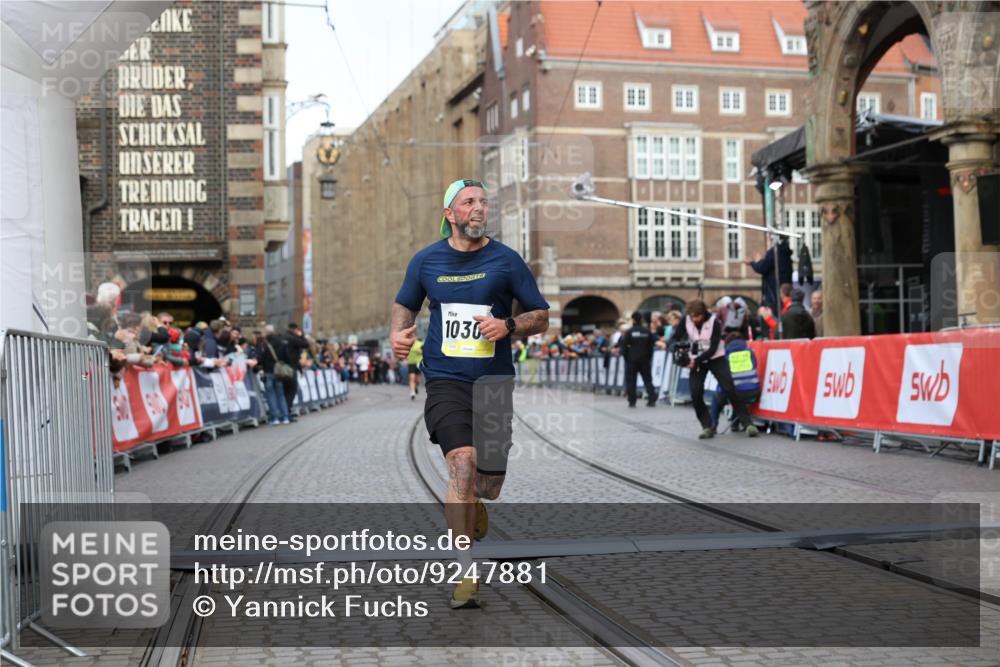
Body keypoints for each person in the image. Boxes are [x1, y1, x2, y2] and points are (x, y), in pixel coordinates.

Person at [390, 179, 549, 609]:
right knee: (462, 462)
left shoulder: (506, 260)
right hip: (446, 380)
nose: (479, 208)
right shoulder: (426, 261)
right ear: (450, 215)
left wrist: (509, 326)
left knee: (489, 484)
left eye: (483, 202)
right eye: (469, 202)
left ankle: (478, 503)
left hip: (494, 383)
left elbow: (541, 315)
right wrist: (397, 333)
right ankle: (465, 570)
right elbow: (405, 303)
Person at [668, 299, 758, 439]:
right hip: (696, 360)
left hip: (716, 357)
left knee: (729, 388)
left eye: (697, 316)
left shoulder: (714, 322)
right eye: (692, 316)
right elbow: (674, 338)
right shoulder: (687, 320)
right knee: (696, 393)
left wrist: (695, 360)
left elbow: (713, 348)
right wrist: (674, 347)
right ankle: (707, 426)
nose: (694, 319)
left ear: (703, 313)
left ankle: (748, 423)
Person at [709, 332, 761, 432]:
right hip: (753, 393)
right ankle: (736, 424)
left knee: (718, 396)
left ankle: (712, 425)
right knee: (737, 392)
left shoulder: (724, 354)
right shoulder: (750, 352)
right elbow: (754, 367)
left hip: (735, 394)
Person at [746, 237, 793, 311]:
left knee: (773, 312)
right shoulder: (785, 253)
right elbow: (769, 266)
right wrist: (760, 261)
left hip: (773, 291)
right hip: (783, 287)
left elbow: (762, 268)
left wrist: (753, 263)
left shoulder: (773, 252)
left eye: (768, 240)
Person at [257, 324, 291, 425]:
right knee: (281, 394)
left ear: (266, 333)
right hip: (279, 372)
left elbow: (261, 358)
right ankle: (285, 417)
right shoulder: (281, 342)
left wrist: (260, 366)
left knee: (271, 394)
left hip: (268, 371)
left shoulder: (264, 343)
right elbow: (286, 356)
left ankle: (275, 418)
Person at [622, 311, 656, 408]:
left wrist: (626, 358)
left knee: (631, 381)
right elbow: (651, 346)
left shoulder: (629, 332)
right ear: (641, 320)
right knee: (648, 380)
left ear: (633, 320)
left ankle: (632, 401)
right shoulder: (647, 331)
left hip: (632, 360)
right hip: (644, 359)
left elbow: (624, 347)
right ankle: (652, 399)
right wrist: (649, 357)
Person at [282, 323, 310, 419]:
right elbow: (306, 344)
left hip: (283, 368)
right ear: (295, 329)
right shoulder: (293, 338)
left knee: (285, 391)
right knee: (292, 390)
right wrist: (301, 335)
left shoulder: (283, 337)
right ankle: (287, 412)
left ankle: (285, 412)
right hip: (291, 367)